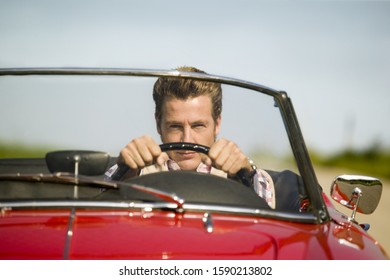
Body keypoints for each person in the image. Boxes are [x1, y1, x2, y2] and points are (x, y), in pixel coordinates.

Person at [105, 66, 275, 209]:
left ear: (217, 124)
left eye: (198, 126)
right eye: (175, 126)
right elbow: (100, 208)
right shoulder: (136, 171)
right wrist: (127, 170)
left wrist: (244, 172)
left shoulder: (243, 174)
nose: (186, 140)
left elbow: (268, 220)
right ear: (158, 124)